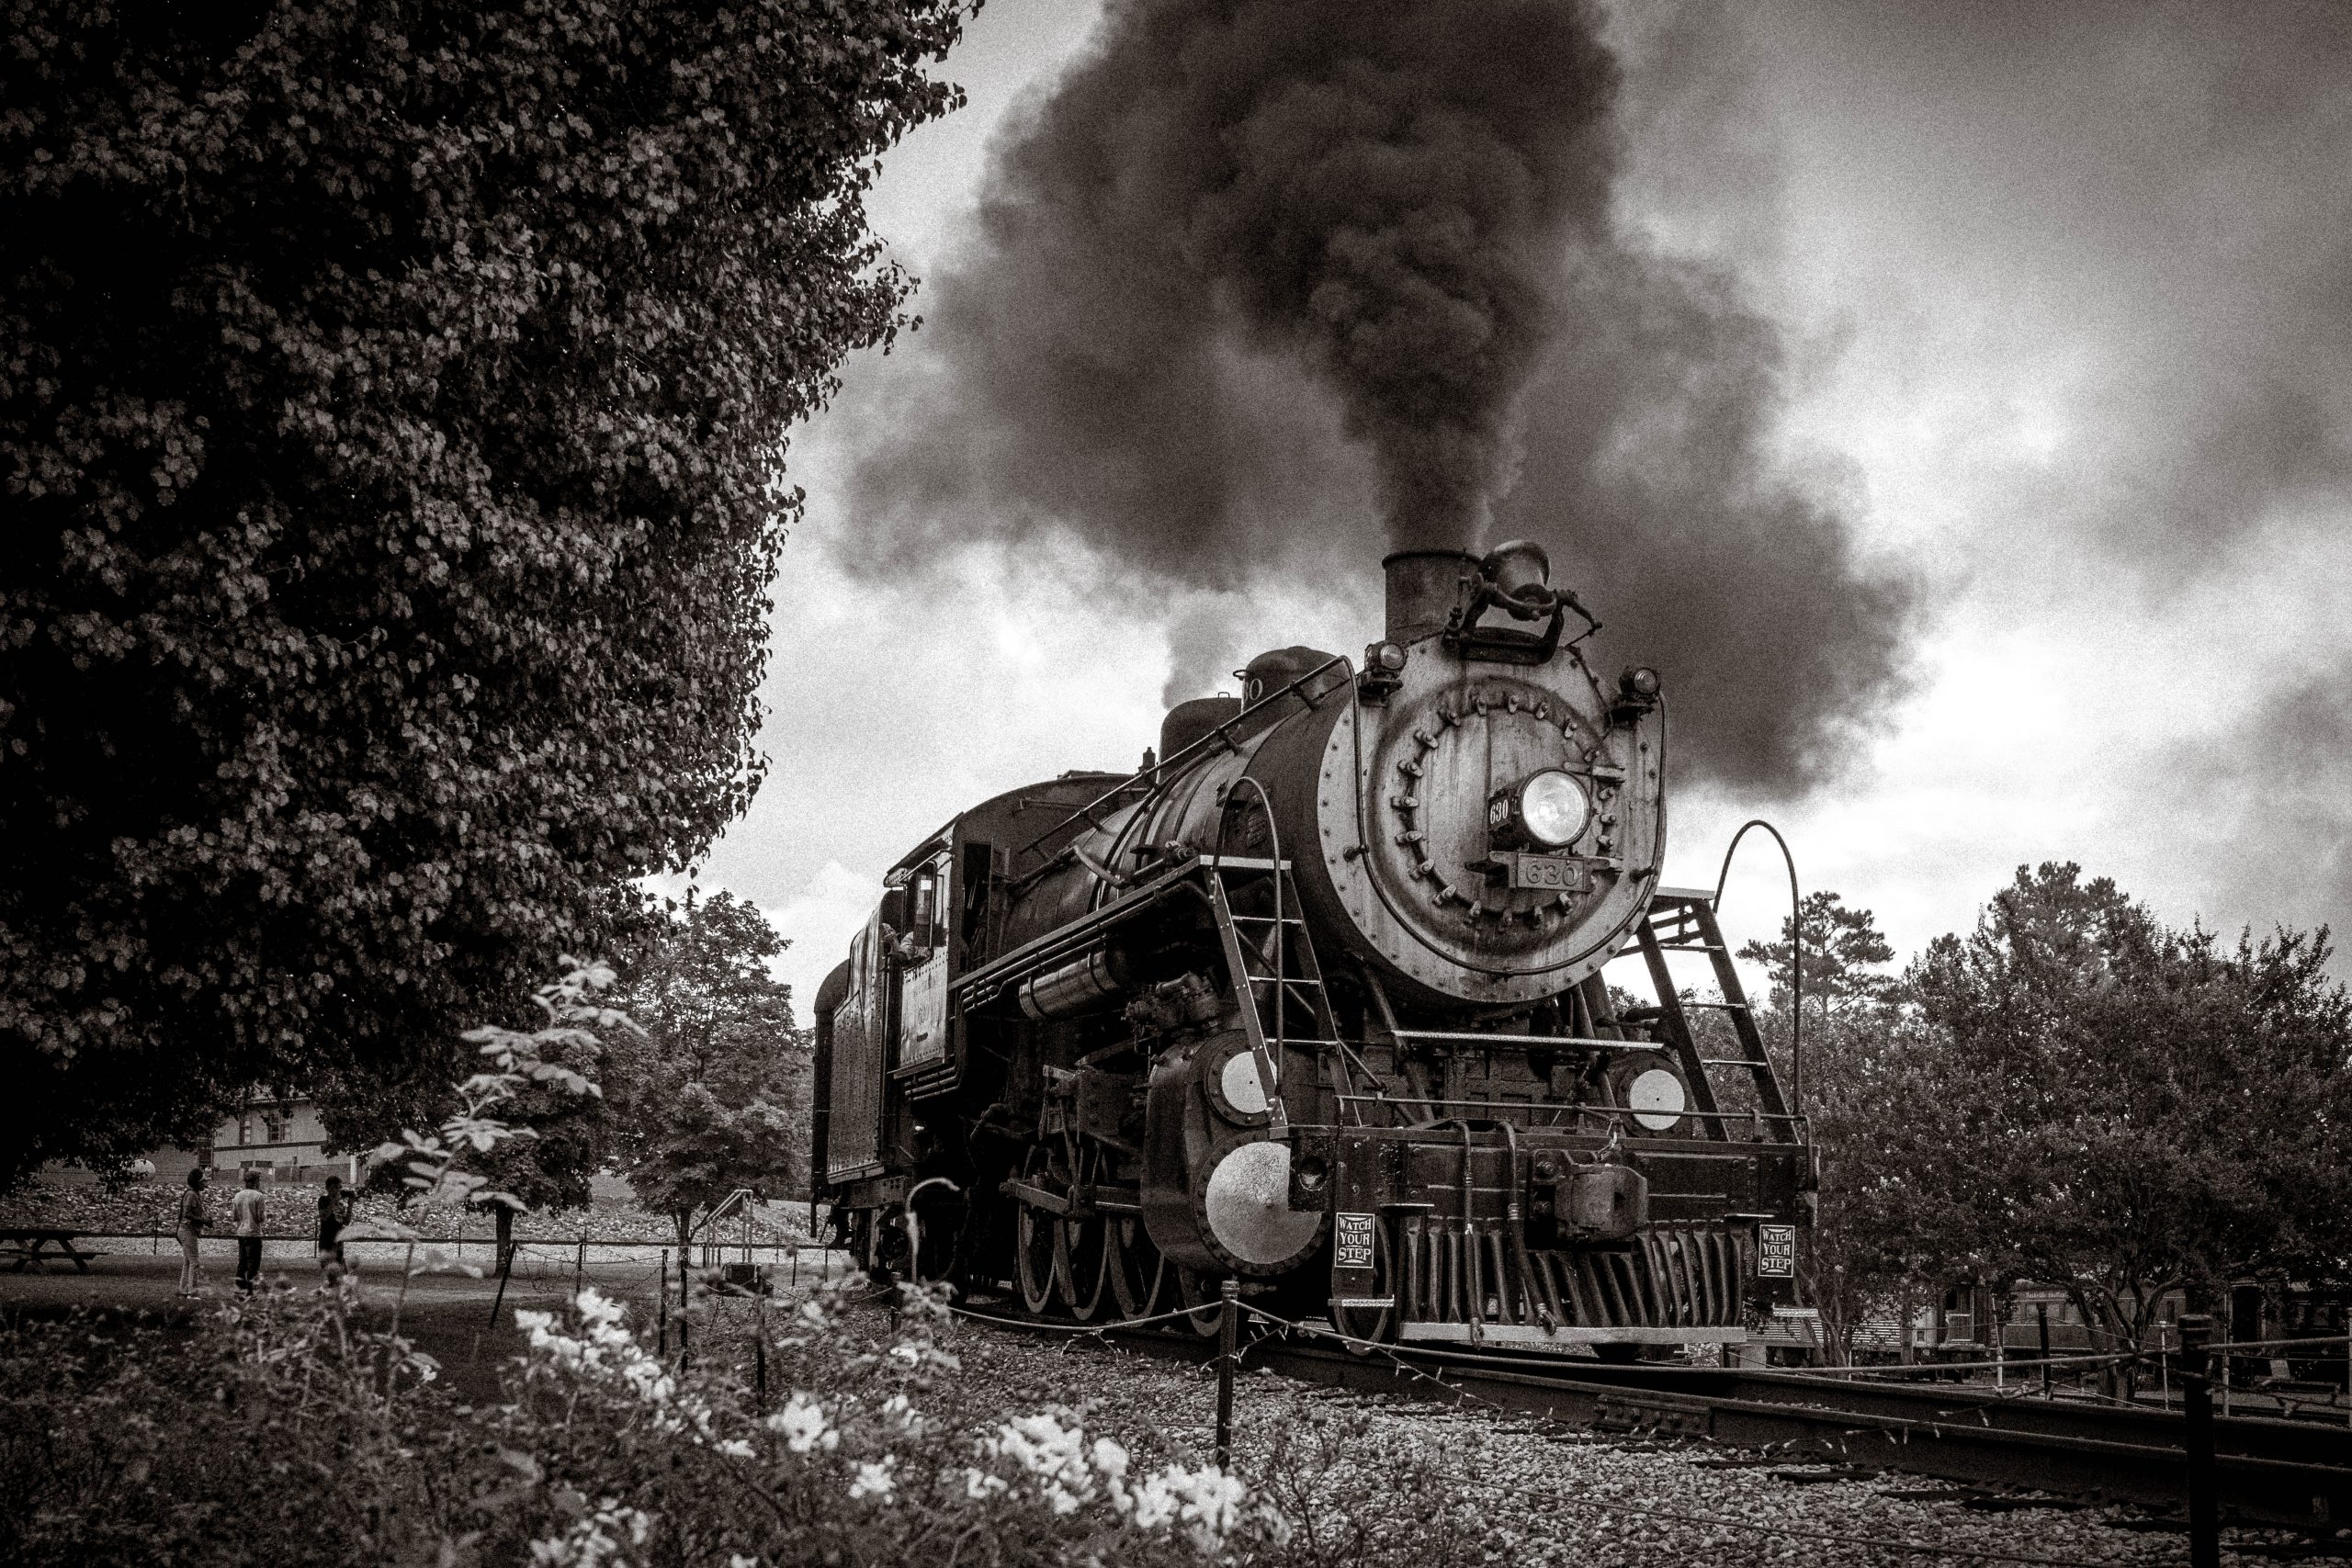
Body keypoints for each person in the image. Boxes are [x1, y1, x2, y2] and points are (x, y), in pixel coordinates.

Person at [175, 1166, 208, 1296]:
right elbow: (187, 1214)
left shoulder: (194, 1194)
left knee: (187, 1262)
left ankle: (183, 1289)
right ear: (197, 1182)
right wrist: (204, 1221)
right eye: (203, 1181)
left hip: (186, 1230)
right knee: (194, 1261)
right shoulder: (191, 1195)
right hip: (187, 1230)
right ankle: (192, 1292)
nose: (205, 1184)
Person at [232, 1168, 266, 1293]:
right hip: (254, 1232)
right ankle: (250, 1291)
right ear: (256, 1181)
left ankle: (239, 1289)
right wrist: (265, 1216)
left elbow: (234, 1216)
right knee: (253, 1264)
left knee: (242, 1262)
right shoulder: (258, 1196)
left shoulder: (238, 1196)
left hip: (241, 1232)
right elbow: (259, 1217)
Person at [317, 1175, 351, 1272]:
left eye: (339, 1188)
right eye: (334, 1188)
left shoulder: (340, 1204)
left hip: (338, 1241)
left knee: (343, 1273)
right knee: (329, 1273)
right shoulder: (323, 1200)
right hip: (326, 1241)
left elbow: (346, 1221)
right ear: (327, 1188)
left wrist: (350, 1205)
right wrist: (333, 1201)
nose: (337, 1190)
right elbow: (324, 1216)